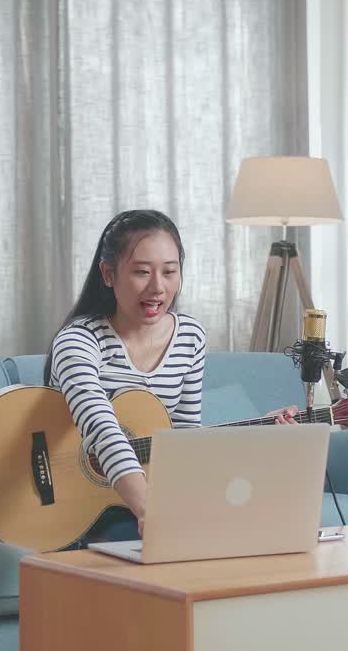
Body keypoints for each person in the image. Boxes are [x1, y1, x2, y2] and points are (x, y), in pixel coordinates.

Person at [44, 209, 298, 547]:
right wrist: (149, 509)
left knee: (257, 523)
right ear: (108, 274)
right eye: (141, 272)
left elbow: (185, 438)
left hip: (147, 499)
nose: (158, 288)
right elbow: (101, 428)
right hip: (76, 505)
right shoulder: (78, 341)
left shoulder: (189, 336)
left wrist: (256, 435)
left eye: (169, 271)